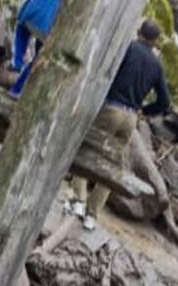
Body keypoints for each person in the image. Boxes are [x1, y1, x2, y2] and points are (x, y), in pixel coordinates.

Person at [71, 20, 171, 230]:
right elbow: (165, 102)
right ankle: (92, 214)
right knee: (113, 163)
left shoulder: (129, 49)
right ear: (155, 41)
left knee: (85, 150)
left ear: (139, 33)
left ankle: (78, 200)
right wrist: (145, 110)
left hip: (111, 109)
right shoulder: (157, 65)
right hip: (131, 118)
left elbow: (109, 71)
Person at [7, 0, 83, 98]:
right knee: (38, 57)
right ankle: (17, 90)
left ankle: (17, 61)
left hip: (32, 13)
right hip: (52, 25)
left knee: (22, 29)